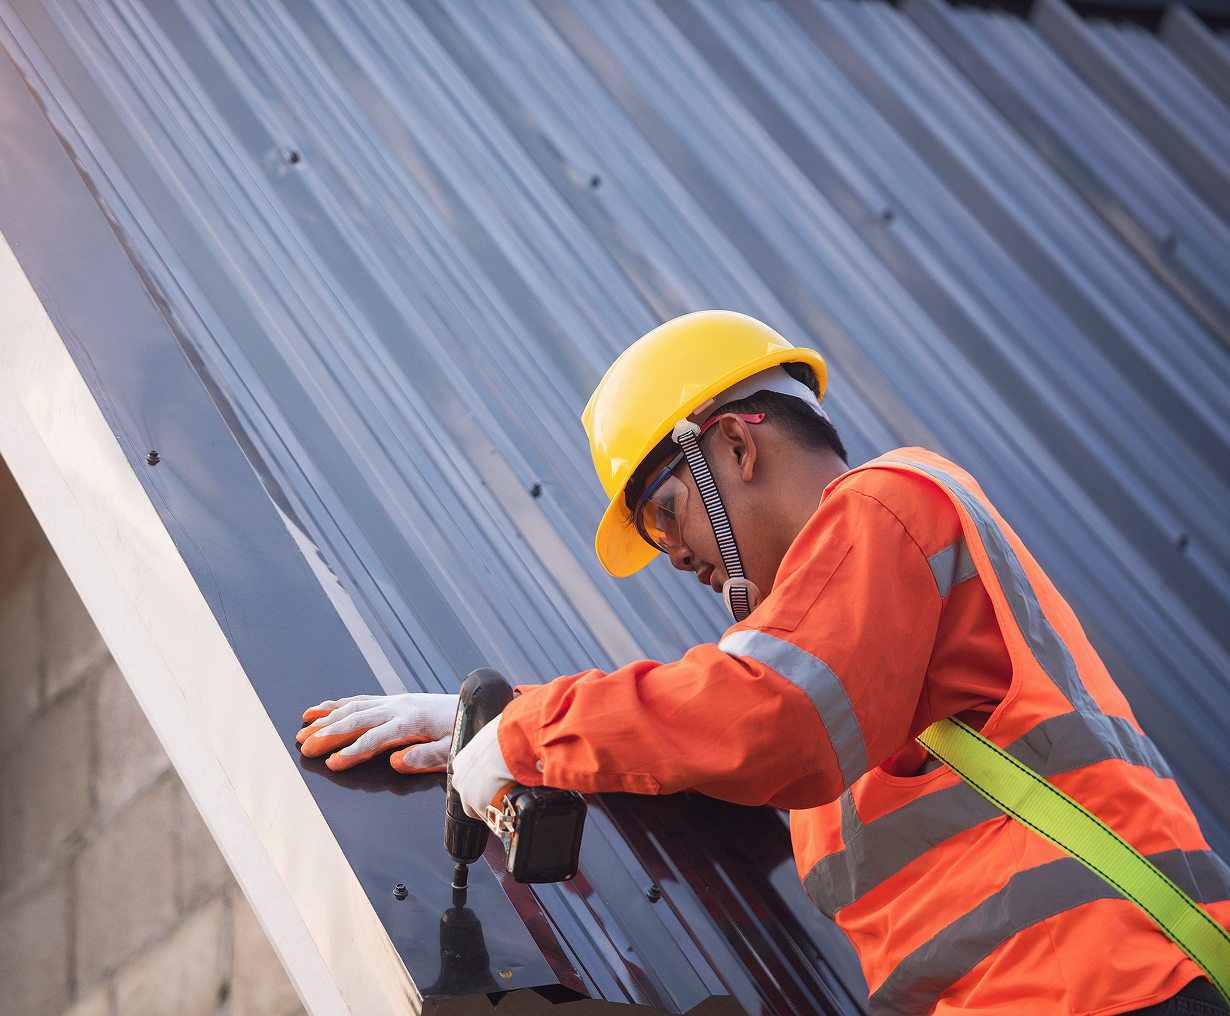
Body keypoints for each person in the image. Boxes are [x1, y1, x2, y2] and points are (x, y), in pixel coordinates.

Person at [298, 311, 1230, 1015]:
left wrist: (526, 733)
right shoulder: (847, 676)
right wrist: (486, 722)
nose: (674, 557)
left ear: (735, 444)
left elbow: (757, 715)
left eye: (664, 516)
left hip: (1127, 985)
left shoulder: (891, 504)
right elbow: (704, 734)